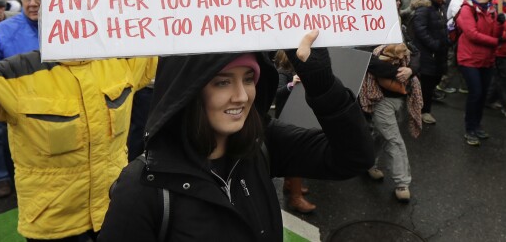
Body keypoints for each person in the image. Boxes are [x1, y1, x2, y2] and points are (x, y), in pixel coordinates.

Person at [0, 0, 158, 241]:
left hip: (114, 210)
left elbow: (166, 48)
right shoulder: (17, 73)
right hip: (54, 225)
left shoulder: (119, 62)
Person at [98, 31, 375, 241]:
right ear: (189, 91)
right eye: (222, 82)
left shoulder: (261, 142)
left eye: (247, 79)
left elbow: (354, 157)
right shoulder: (142, 188)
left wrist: (323, 84)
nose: (242, 97)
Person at [0, 0, 42, 198]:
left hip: (50, 105)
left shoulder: (70, 26)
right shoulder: (2, 31)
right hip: (13, 103)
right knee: (1, 138)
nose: (33, 3)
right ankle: (3, 178)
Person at [359, 43, 422, 202]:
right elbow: (368, 61)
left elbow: (416, 55)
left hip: (401, 97)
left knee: (381, 134)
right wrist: (399, 73)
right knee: (394, 140)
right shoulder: (368, 35)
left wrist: (410, 70)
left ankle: (369, 163)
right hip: (379, 98)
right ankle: (402, 183)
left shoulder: (401, 33)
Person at [456, 0, 503, 146]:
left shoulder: (492, 11)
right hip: (469, 58)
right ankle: (469, 128)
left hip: (487, 59)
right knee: (475, 93)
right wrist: (497, 41)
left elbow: (495, 32)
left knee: (483, 95)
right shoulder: (467, 9)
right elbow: (472, 34)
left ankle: (477, 125)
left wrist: (500, 23)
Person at [273, 51, 315, 213]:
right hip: (287, 119)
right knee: (296, 157)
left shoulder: (295, 72)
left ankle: (290, 184)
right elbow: (277, 92)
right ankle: (295, 198)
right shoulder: (282, 73)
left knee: (294, 155)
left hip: (296, 118)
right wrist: (292, 85)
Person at [409, 0, 450, 123]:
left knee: (433, 81)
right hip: (428, 54)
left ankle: (419, 107)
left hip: (438, 53)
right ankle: (423, 111)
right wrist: (435, 45)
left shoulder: (439, 6)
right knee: (426, 84)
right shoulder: (424, 8)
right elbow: (420, 31)